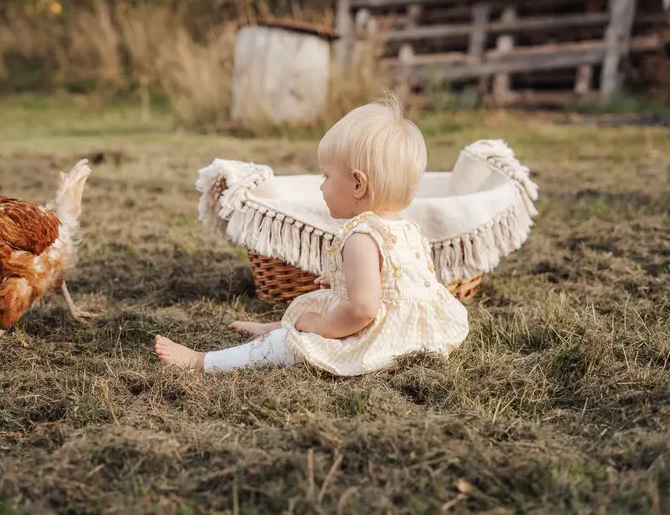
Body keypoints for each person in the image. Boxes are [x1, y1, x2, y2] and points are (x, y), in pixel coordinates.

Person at [154, 94, 469, 375]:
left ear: (358, 185)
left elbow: (363, 310)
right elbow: (397, 282)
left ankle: (201, 361)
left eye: (327, 175)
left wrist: (323, 326)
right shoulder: (405, 228)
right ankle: (272, 326)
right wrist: (347, 280)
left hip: (382, 335)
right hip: (419, 331)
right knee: (319, 301)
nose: (321, 185)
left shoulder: (362, 236)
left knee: (291, 342)